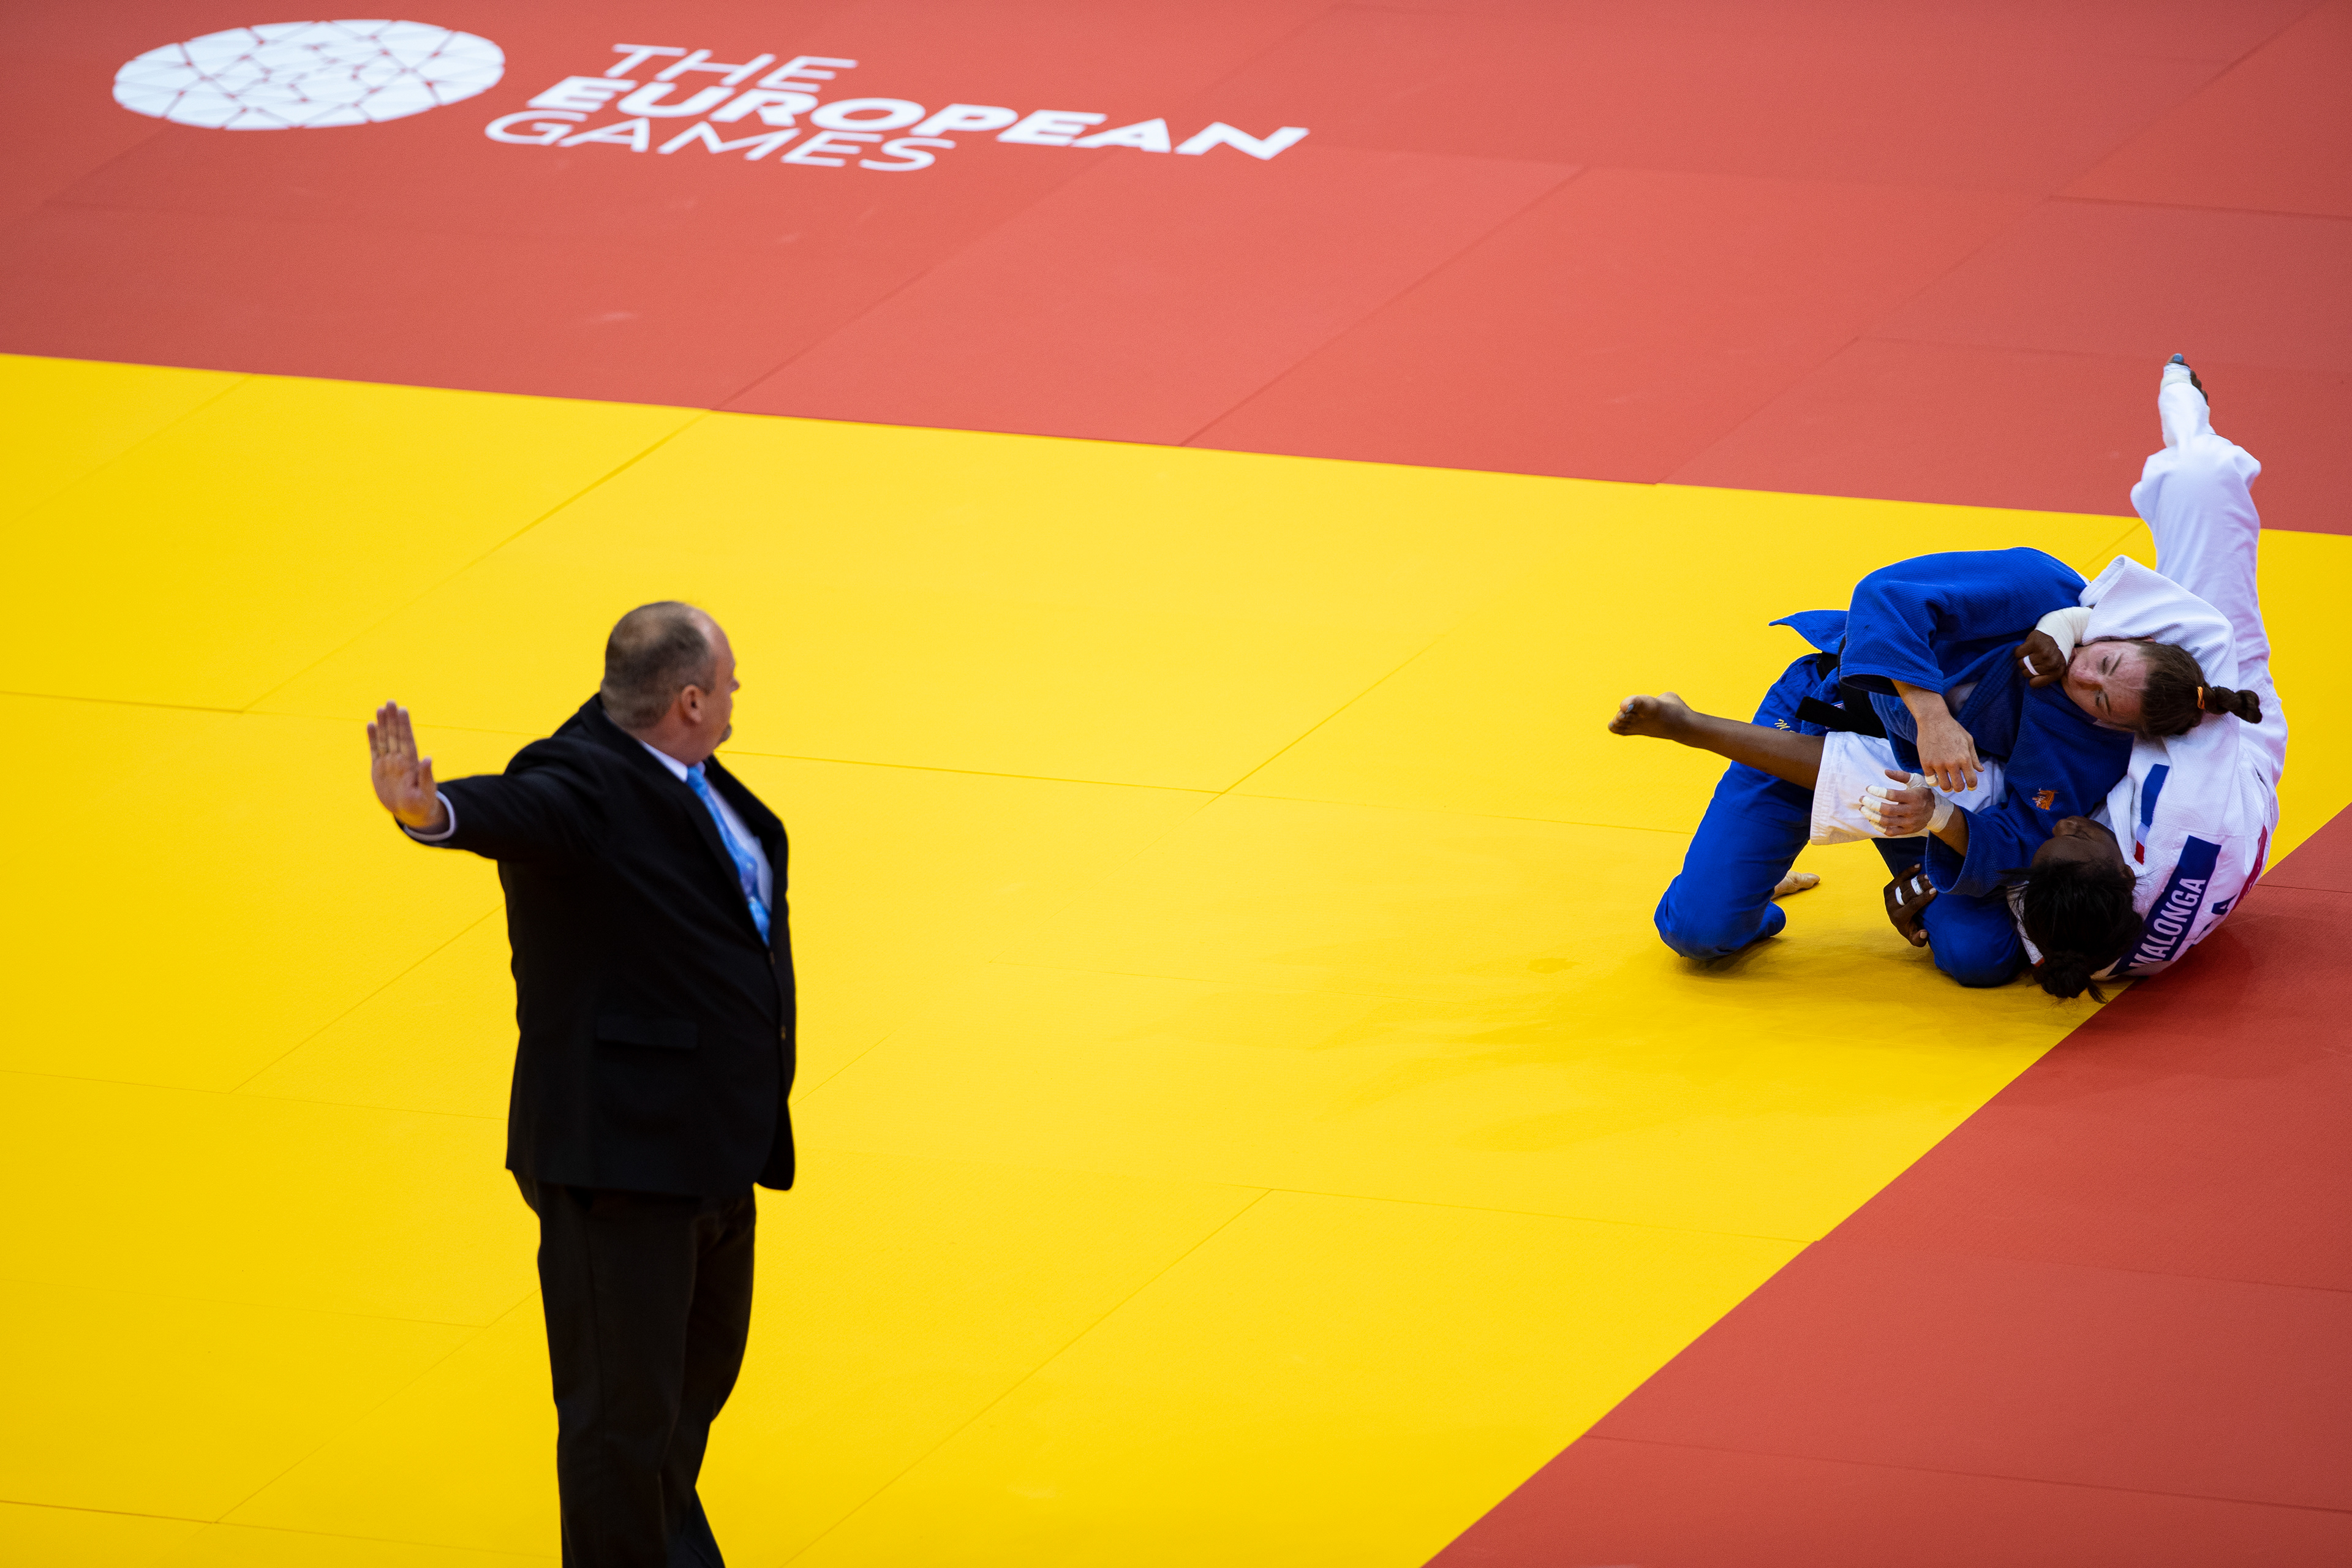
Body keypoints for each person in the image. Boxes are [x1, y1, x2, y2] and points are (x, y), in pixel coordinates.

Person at [367, 601, 793, 1568]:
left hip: (709, 1154)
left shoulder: (682, 766)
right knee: (617, 1426)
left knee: (683, 1403)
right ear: (688, 698)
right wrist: (429, 812)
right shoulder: (583, 784)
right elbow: (518, 812)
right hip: (623, 1165)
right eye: (729, 684)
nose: (737, 697)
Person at [1871, 356, 2282, 996]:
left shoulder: (2091, 943)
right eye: (2084, 835)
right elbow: (2207, 633)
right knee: (2202, 482)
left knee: (1987, 916)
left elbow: (2031, 885)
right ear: (2128, 874)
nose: (2069, 827)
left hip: (2178, 821)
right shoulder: (2188, 789)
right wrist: (2070, 627)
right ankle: (2189, 423)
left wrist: (1932, 872)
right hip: (2242, 758)